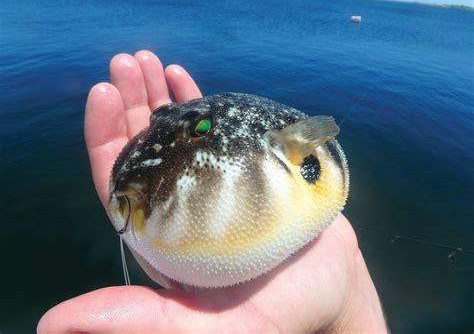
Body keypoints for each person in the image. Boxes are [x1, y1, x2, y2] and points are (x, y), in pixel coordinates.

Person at [38, 51, 387, 333]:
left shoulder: (270, 147)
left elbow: (324, 127)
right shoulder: (157, 146)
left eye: (200, 129)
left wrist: (350, 297)